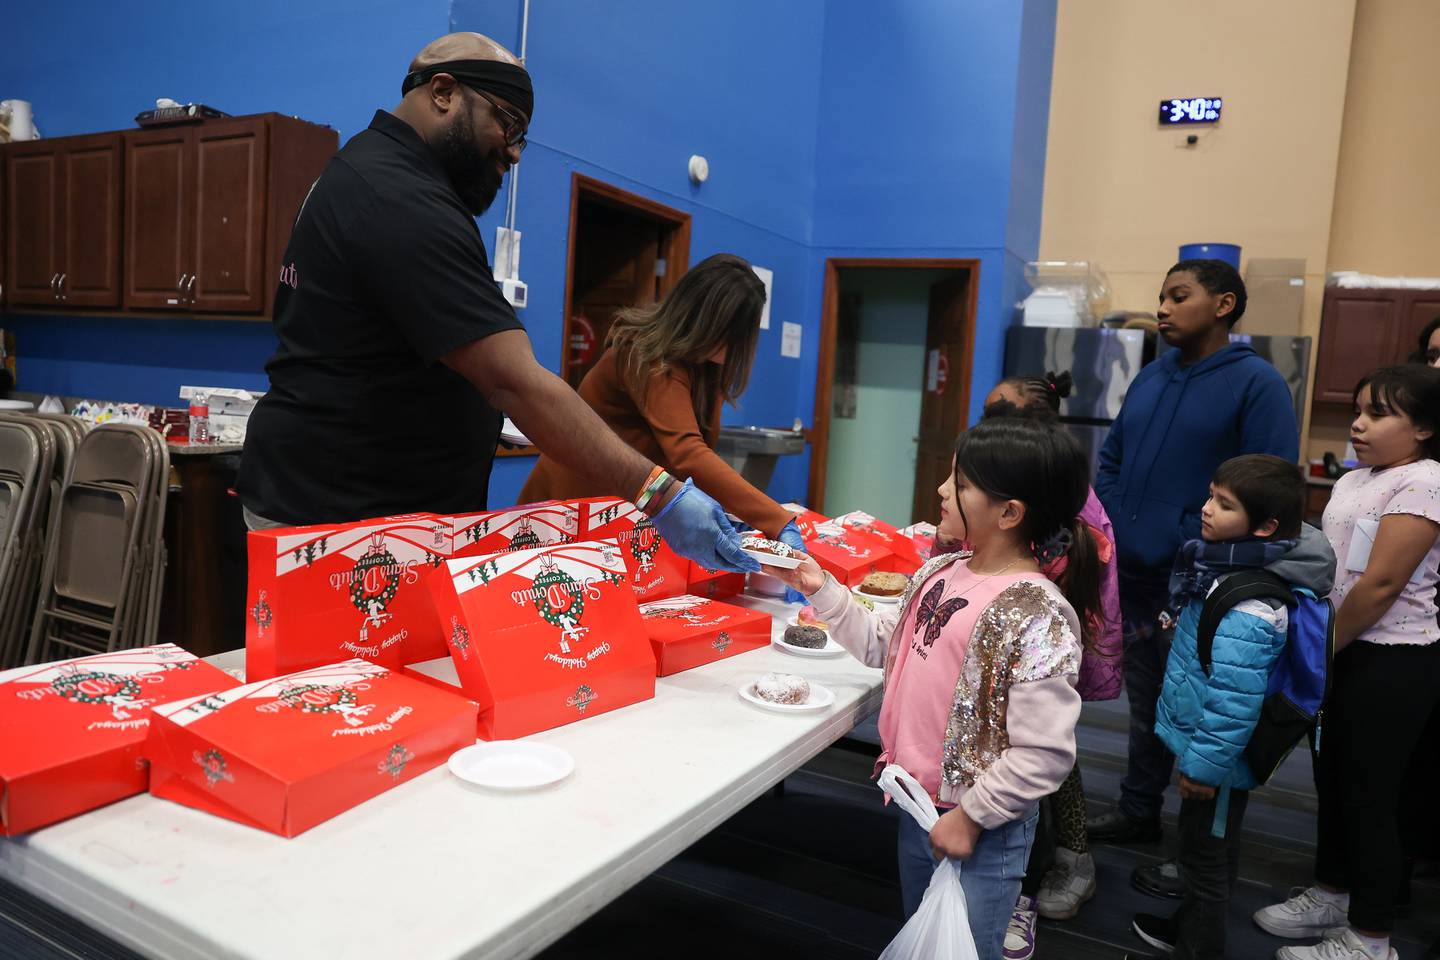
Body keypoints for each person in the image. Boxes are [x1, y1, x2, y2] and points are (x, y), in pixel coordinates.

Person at [236, 32, 755, 576]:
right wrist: (659, 495)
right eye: (509, 124)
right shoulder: (397, 198)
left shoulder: (371, 173)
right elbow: (514, 382)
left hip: (358, 512)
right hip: (339, 526)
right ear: (443, 92)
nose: (512, 151)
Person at [768, 417, 1101, 958]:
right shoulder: (940, 572)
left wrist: (972, 816)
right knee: (926, 935)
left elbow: (1044, 752)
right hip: (917, 807)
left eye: (961, 483)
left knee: (964, 947)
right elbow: (884, 646)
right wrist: (821, 588)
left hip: (982, 828)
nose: (943, 491)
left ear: (1010, 513)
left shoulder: (1036, 611)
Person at [1089, 260, 1300, 890]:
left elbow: (1271, 486)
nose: (1163, 307)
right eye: (1161, 296)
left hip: (1203, 582)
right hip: (1134, 572)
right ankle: (1137, 810)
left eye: (1179, 296)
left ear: (1224, 304)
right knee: (1149, 699)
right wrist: (1117, 522)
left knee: (1208, 711)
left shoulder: (1256, 383)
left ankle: (1198, 857)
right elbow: (1112, 459)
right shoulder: (1151, 376)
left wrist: (1188, 534)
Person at [1254, 365, 1440, 960]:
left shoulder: (1424, 481)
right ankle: (1332, 895)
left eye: (1379, 413)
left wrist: (1318, 651)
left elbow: (1381, 583)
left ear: (1425, 429)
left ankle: (1372, 937)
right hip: (1343, 652)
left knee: (1371, 797)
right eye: (1359, 409)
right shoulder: (1357, 479)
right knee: (1333, 784)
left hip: (1392, 661)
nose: (1359, 423)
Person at [1123, 455, 1334, 960]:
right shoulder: (1224, 565)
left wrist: (1203, 770)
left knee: (1205, 858)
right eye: (1210, 495)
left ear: (1265, 527)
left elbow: (1234, 703)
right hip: (1206, 745)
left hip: (1217, 757)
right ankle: (1187, 928)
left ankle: (1199, 946)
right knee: (1204, 846)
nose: (1206, 510)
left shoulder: (1252, 605)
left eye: (1224, 504)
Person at [520, 253, 803, 551]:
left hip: (621, 514)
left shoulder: (706, 368)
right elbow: (687, 453)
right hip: (568, 512)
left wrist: (733, 507)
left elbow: (695, 455)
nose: (738, 346)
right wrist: (776, 520)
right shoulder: (644, 355)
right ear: (705, 320)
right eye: (733, 333)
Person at [981, 373, 1122, 960]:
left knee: (1032, 758)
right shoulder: (1018, 480)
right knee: (1046, 754)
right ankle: (1072, 855)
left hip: (1036, 655)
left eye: (998, 415)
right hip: (1016, 650)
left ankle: (1028, 888)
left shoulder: (1059, 507)